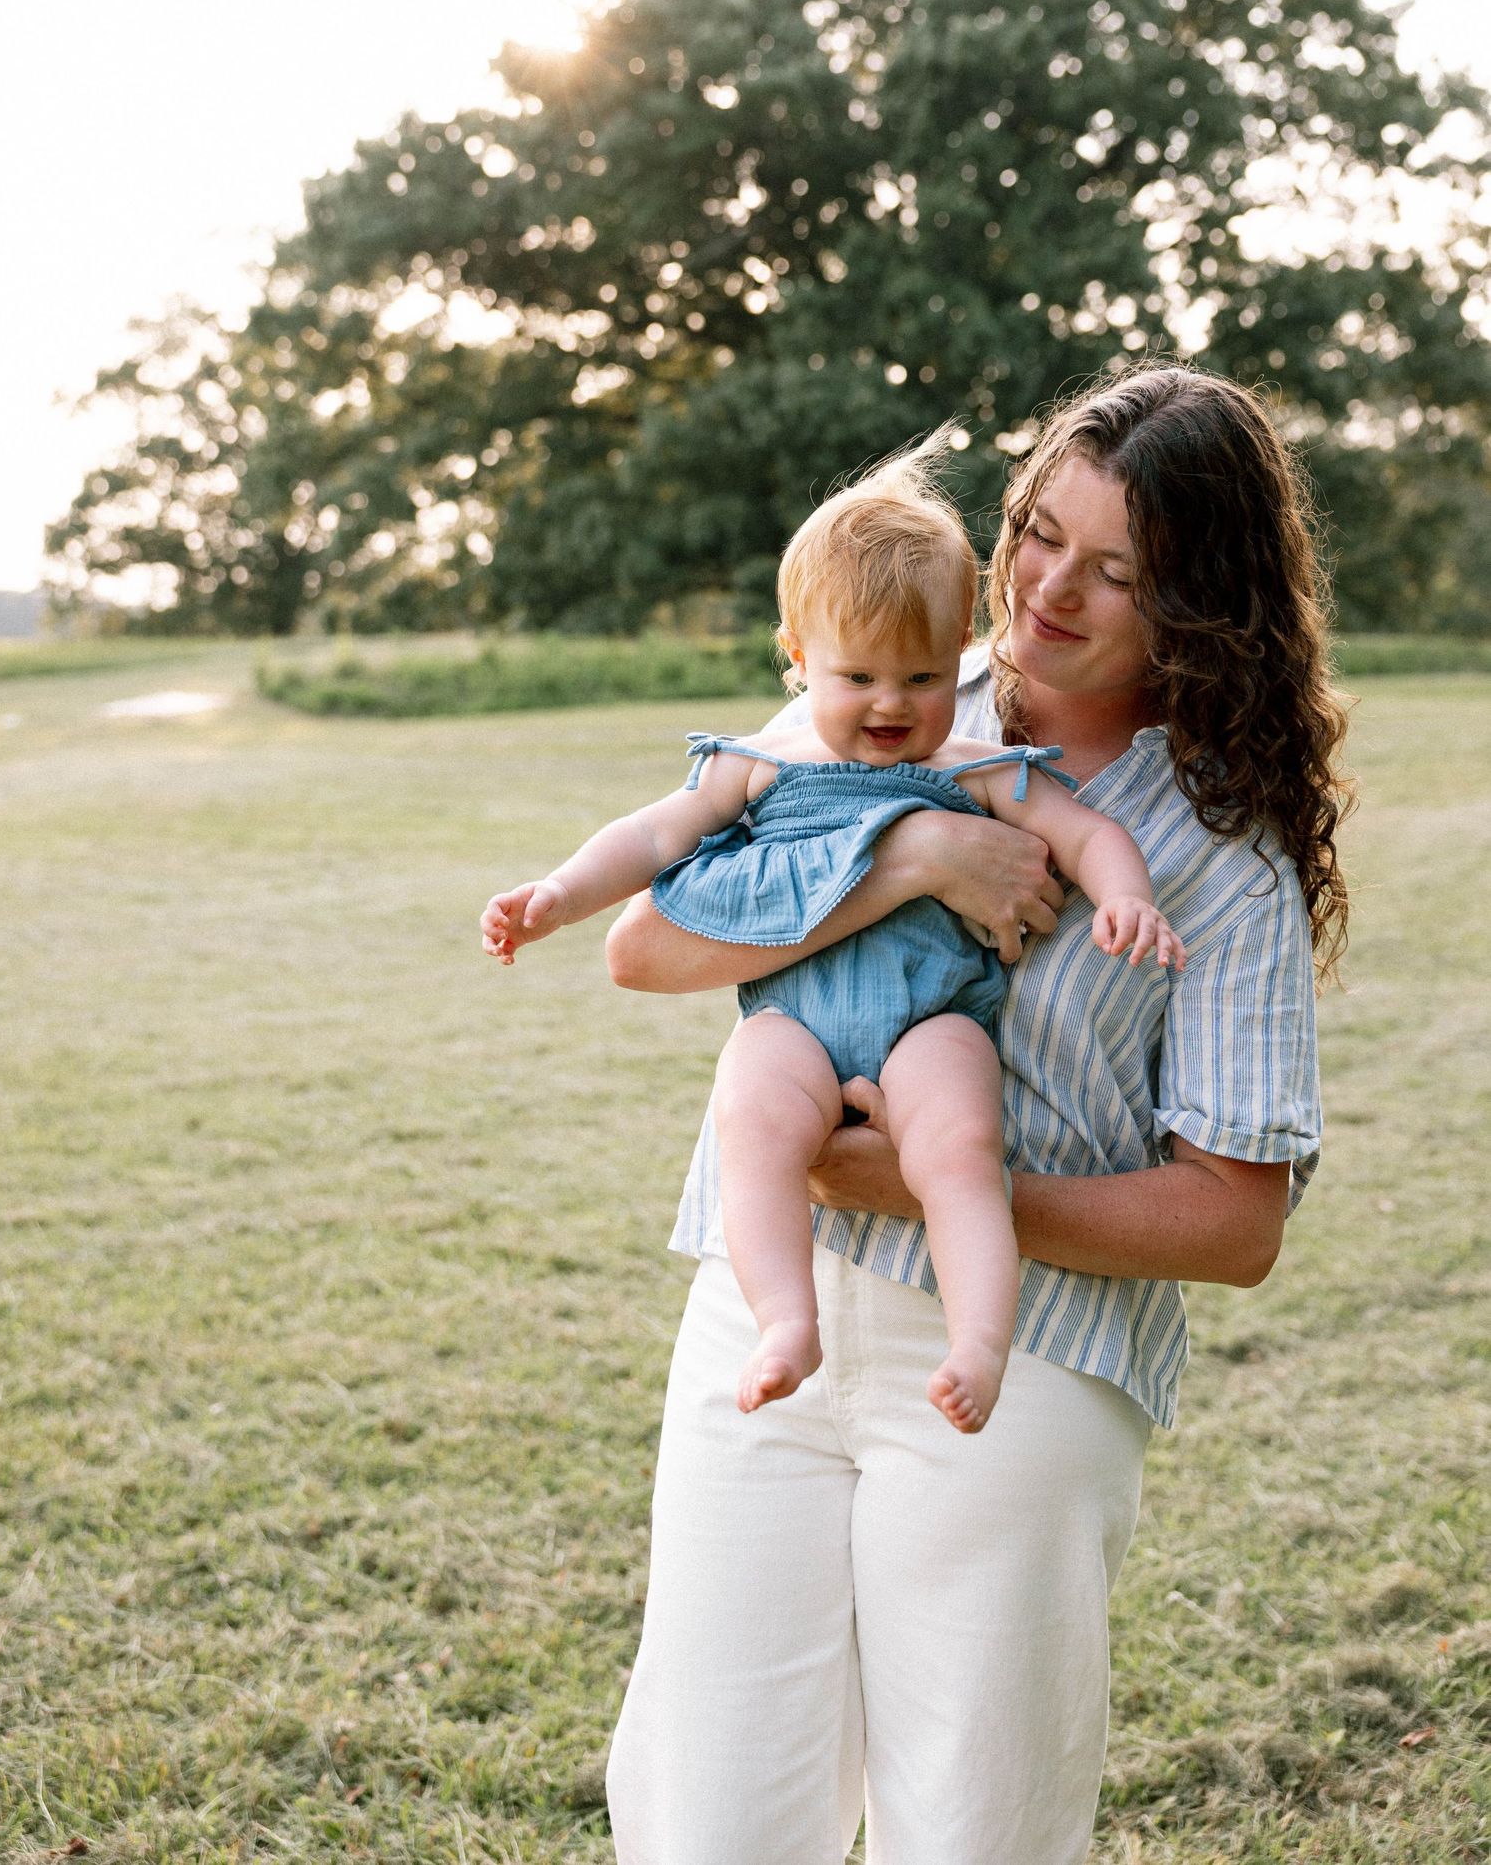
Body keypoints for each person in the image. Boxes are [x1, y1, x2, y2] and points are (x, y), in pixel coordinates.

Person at [599, 362, 1353, 1865]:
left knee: (973, 1825)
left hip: (1026, 1362)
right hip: (768, 1321)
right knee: (711, 1808)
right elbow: (648, 944)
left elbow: (1237, 1222)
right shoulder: (885, 682)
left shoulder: (1221, 852)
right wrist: (915, 863)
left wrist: (938, 1192)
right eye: (1039, 533)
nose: (1049, 588)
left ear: (1200, 603)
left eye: (1115, 570)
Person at [482, 438, 1185, 1435]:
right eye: (858, 675)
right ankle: (784, 1321)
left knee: (961, 1148)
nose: (892, 703)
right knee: (754, 1117)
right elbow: (650, 838)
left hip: (932, 1019)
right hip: (794, 1020)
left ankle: (979, 1341)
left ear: (959, 653)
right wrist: (557, 894)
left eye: (922, 675)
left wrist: (1126, 897)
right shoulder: (758, 763)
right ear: (798, 656)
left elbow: (1088, 834)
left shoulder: (977, 766)